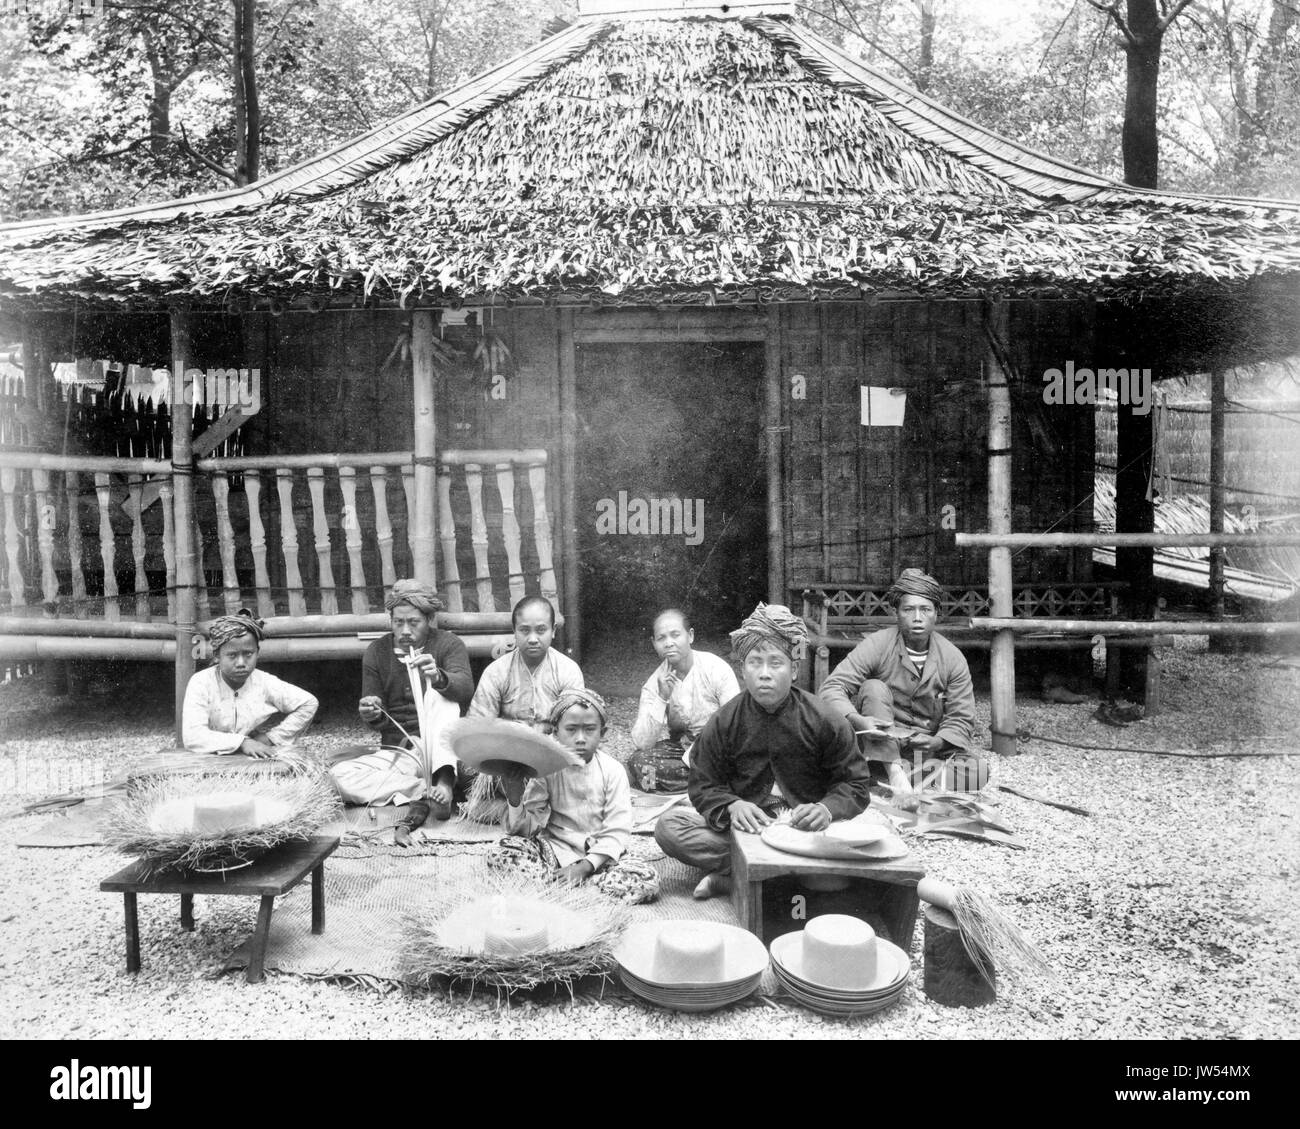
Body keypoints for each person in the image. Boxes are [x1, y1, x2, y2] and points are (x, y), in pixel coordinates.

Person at [654, 603, 871, 900]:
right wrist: (732, 805)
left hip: (805, 830)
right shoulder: (724, 720)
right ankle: (783, 878)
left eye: (775, 663)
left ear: (794, 670)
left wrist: (825, 809)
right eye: (755, 663)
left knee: (865, 846)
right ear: (743, 670)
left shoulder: (825, 719)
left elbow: (856, 784)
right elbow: (703, 784)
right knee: (670, 827)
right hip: (748, 831)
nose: (764, 674)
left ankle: (740, 880)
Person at [487, 689, 659, 904]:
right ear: (555, 732)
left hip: (600, 857)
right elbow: (526, 830)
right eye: (571, 730)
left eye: (589, 730)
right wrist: (514, 797)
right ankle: (578, 893)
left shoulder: (613, 771)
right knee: (502, 853)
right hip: (555, 851)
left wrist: (586, 866)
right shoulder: (546, 768)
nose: (580, 739)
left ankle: (553, 892)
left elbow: (617, 830)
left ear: (602, 733)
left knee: (645, 879)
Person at [330, 580, 474, 830]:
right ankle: (423, 791)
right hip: (400, 754)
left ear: (429, 619)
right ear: (391, 620)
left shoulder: (449, 644)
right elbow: (379, 719)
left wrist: (439, 677)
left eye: (414, 622)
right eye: (399, 622)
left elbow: (465, 691)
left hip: (441, 750)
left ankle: (445, 783)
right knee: (337, 776)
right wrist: (372, 711)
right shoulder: (377, 651)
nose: (405, 630)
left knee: (441, 698)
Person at [818, 568, 977, 793]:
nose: (918, 618)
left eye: (926, 609)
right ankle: (893, 771)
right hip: (878, 742)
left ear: (937, 613)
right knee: (873, 687)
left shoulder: (952, 658)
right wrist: (858, 720)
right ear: (896, 612)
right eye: (909, 610)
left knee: (977, 772)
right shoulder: (878, 644)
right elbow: (832, 688)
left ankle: (884, 777)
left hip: (924, 750)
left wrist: (938, 742)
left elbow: (961, 716)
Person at [627, 608, 740, 792]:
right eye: (661, 638)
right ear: (654, 643)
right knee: (640, 762)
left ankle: (700, 784)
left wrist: (703, 749)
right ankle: (711, 784)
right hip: (686, 750)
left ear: (690, 636)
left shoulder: (715, 668)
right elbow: (642, 742)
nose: (669, 643)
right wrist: (662, 697)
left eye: (675, 635)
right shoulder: (654, 684)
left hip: (719, 747)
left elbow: (736, 724)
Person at [182, 610, 318, 758]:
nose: (241, 663)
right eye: (232, 655)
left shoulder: (263, 681)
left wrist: (272, 738)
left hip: (249, 758)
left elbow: (308, 703)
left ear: (257, 652)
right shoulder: (201, 682)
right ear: (217, 656)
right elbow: (193, 736)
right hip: (208, 756)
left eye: (248, 654)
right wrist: (243, 742)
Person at [468, 595, 583, 730]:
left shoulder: (567, 670)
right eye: (524, 630)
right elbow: (478, 725)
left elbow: (574, 727)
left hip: (553, 747)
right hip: (507, 744)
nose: (533, 639)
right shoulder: (496, 672)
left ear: (553, 630)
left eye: (541, 630)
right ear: (514, 631)